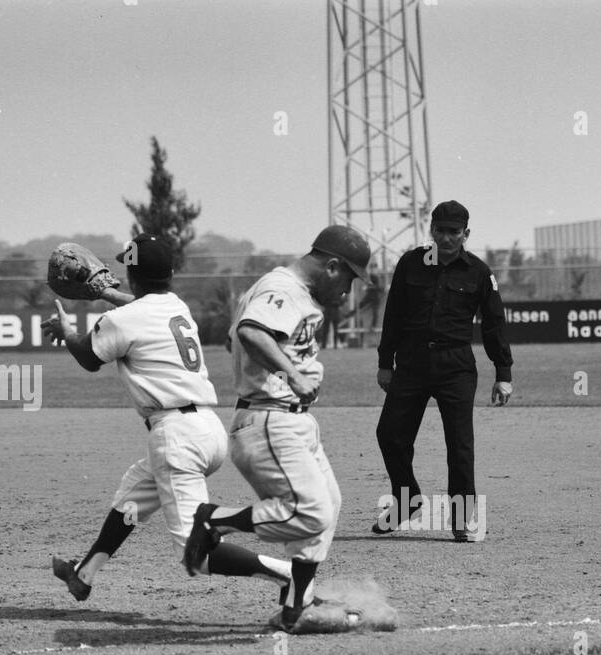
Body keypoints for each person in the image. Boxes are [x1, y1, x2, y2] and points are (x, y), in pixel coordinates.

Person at [40, 235, 292, 606]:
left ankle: (290, 575)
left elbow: (90, 357)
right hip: (207, 430)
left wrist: (68, 332)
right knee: (133, 496)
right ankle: (85, 573)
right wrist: (108, 295)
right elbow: (141, 309)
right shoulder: (176, 306)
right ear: (170, 273)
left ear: (131, 273)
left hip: (177, 439)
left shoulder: (122, 319)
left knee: (197, 555)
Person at [181, 225, 369, 627]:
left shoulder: (290, 293)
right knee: (311, 512)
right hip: (269, 420)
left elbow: (244, 336)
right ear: (333, 266)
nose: (348, 291)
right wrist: (292, 375)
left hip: (291, 421)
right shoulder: (282, 289)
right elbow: (250, 333)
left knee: (328, 506)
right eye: (350, 278)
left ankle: (296, 606)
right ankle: (214, 520)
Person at [374, 200, 513, 542]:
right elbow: (393, 315)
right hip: (412, 363)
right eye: (440, 231)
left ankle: (462, 520)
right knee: (389, 434)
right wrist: (384, 362)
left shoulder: (479, 272)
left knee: (460, 445)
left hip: (456, 367)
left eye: (454, 232)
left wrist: (503, 373)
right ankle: (407, 500)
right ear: (431, 230)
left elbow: (494, 325)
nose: (446, 238)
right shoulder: (411, 263)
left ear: (466, 234)